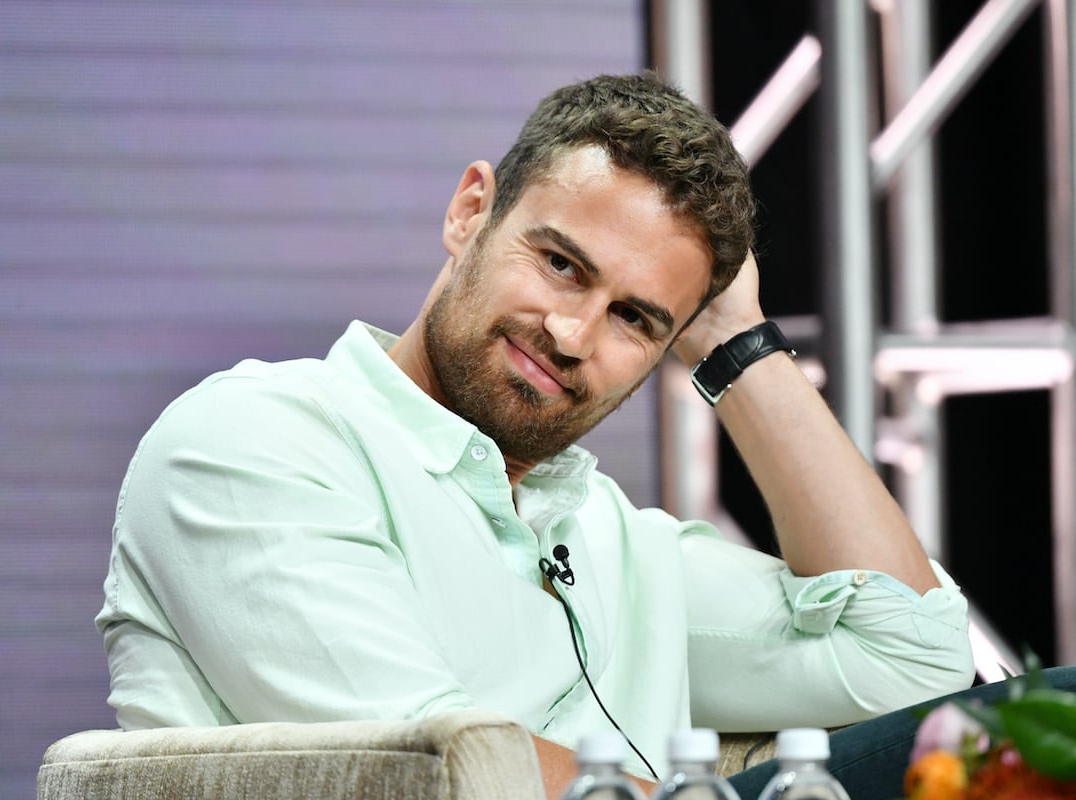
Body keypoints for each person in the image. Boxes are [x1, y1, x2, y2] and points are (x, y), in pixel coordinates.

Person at [95, 73, 975, 797]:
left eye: (634, 317)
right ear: (471, 211)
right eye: (560, 264)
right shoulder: (257, 439)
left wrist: (732, 344)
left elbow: (915, 657)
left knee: (1036, 723)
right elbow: (442, 769)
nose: (571, 333)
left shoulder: (613, 538)